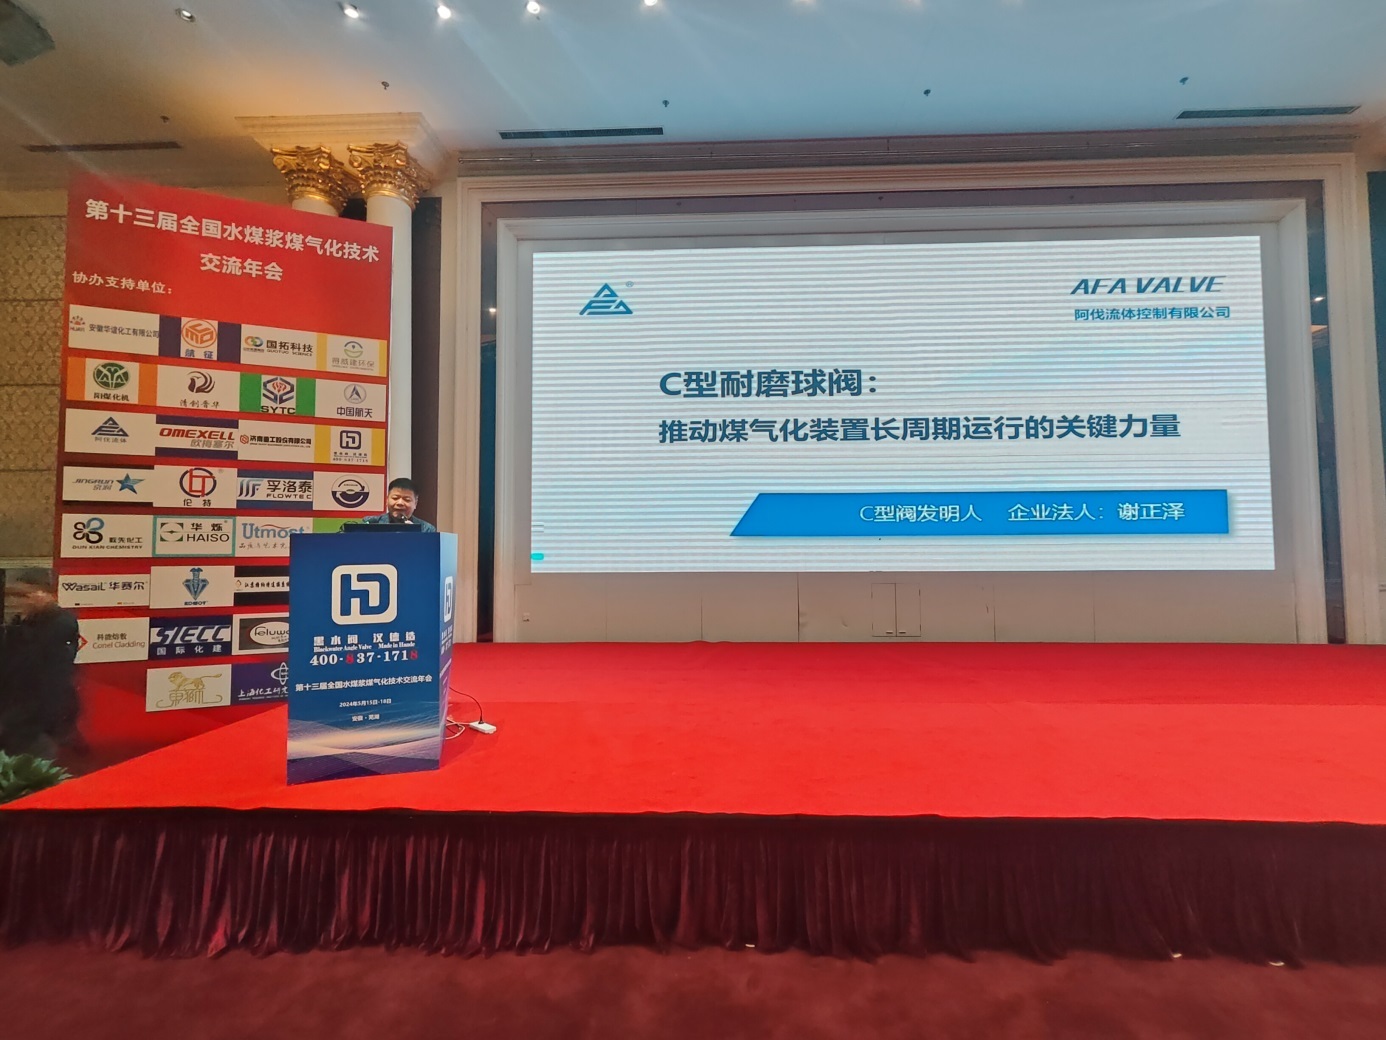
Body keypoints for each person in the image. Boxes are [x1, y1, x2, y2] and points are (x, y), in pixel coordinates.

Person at [1, 568, 82, 759]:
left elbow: (51, 678)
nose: (20, 601)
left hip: (36, 723)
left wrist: (36, 722)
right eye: (16, 595)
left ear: (46, 593)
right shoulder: (22, 623)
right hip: (14, 718)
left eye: (26, 595)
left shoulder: (60, 624)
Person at [358, 477, 438, 532]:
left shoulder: (426, 529)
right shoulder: (371, 523)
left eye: (407, 499)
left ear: (415, 503)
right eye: (395, 498)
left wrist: (415, 536)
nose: (400, 503)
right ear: (387, 500)